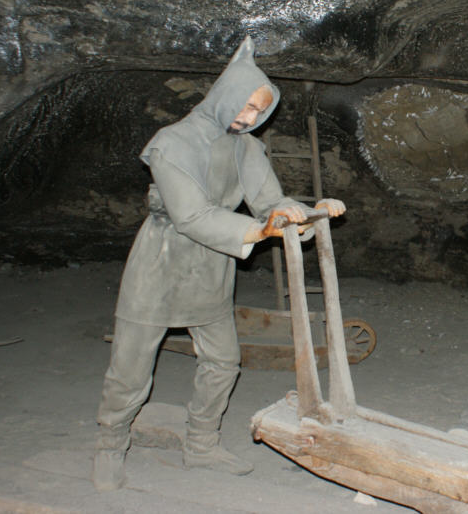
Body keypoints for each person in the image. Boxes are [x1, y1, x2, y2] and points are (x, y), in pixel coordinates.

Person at [92, 36, 345, 491]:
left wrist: (311, 213)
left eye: (259, 111)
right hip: (161, 262)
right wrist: (258, 231)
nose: (250, 117)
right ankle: (111, 446)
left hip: (212, 266)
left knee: (224, 361)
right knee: (130, 369)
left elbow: (270, 203)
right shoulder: (172, 143)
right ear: (226, 95)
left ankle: (202, 445)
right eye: (246, 106)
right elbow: (191, 217)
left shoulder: (246, 147)